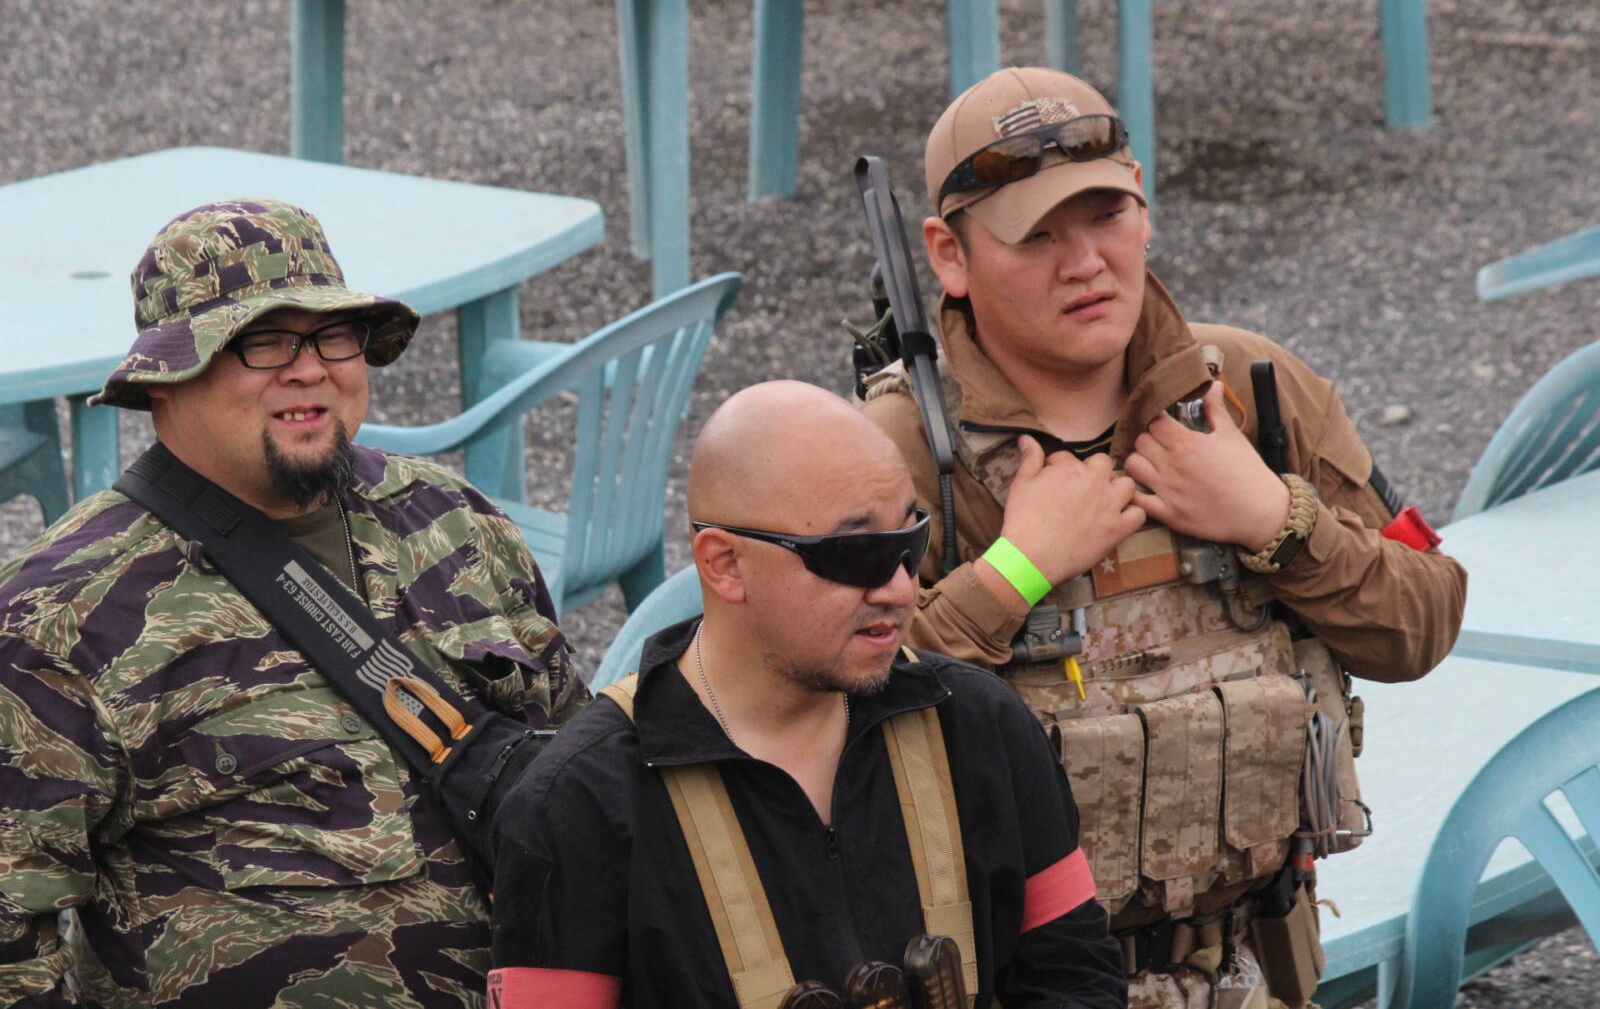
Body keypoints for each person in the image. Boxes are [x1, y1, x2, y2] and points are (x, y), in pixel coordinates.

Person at [859, 68, 1468, 1008]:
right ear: (950, 254)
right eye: (1036, 235)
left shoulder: (1256, 390)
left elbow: (1424, 620)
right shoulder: (895, 455)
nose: (1085, 262)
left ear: (1143, 202)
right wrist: (1013, 573)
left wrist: (1276, 522)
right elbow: (821, 727)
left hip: (1253, 973)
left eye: (1107, 214)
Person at [0, 199, 585, 1007]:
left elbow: (576, 782)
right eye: (263, 341)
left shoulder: (454, 520)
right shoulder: (59, 615)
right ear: (166, 379)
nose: (309, 369)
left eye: (332, 335)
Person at [488, 381, 1127, 1008]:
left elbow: (1077, 976)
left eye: (910, 544)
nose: (900, 589)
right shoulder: (579, 803)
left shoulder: (982, 725)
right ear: (724, 564)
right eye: (855, 554)